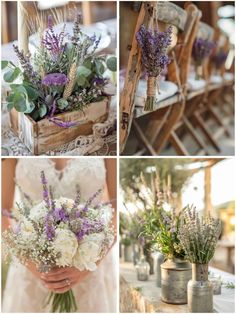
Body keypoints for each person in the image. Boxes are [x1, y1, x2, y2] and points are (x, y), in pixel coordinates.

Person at [2, 158, 117, 313]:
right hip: (31, 272)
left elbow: (116, 209)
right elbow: (3, 212)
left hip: (91, 271)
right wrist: (33, 265)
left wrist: (89, 265)